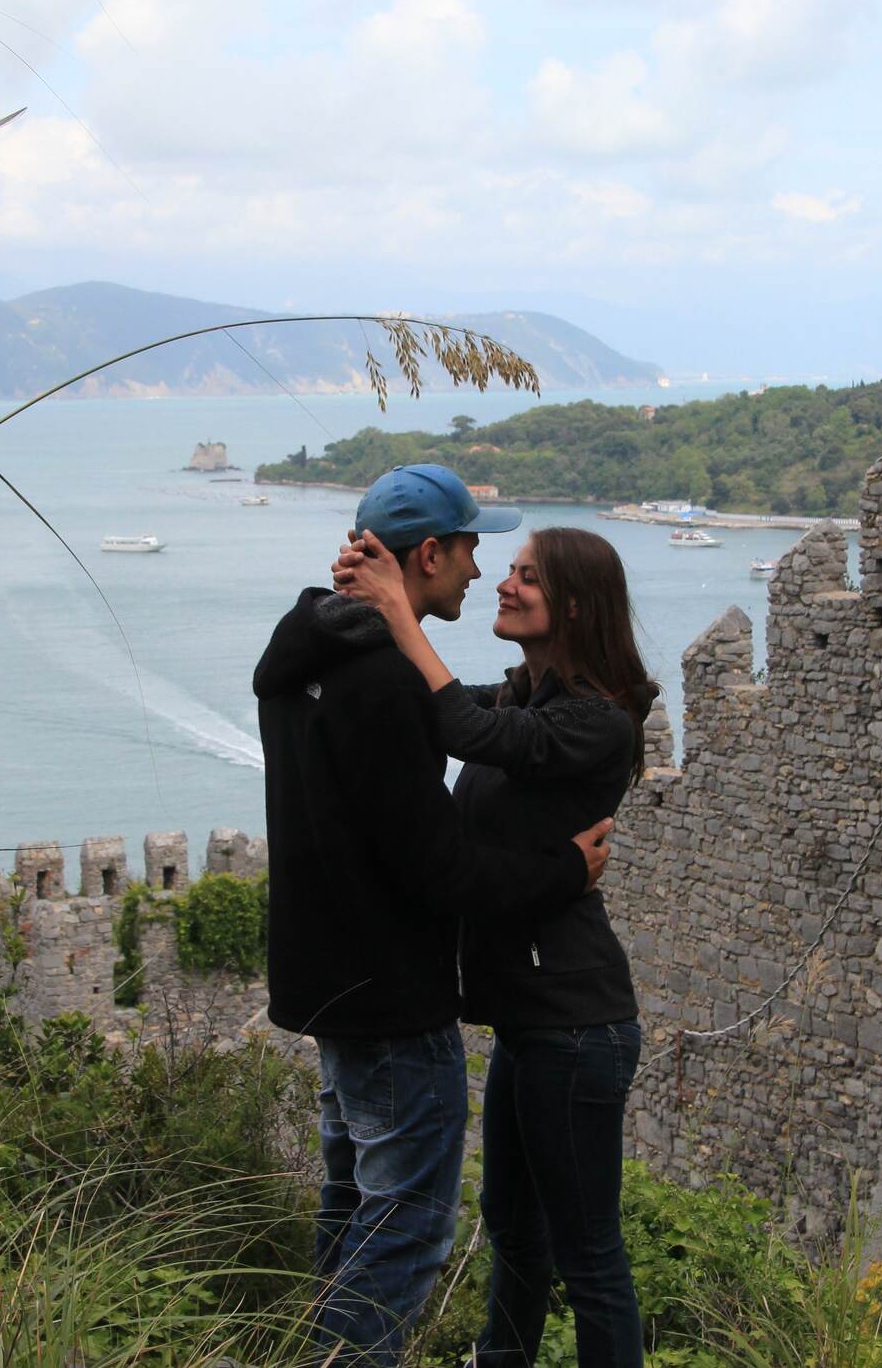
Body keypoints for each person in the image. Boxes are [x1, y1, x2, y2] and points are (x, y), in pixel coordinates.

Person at [253, 465, 615, 1368]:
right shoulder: (384, 679)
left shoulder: (304, 654)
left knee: (352, 1204)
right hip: (392, 994)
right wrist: (564, 870)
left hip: (328, 986)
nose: (479, 571)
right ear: (427, 555)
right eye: (470, 549)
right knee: (409, 1226)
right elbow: (437, 867)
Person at [334, 522, 656, 1367]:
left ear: (576, 606)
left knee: (590, 1257)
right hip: (530, 1022)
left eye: (528, 578)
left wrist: (400, 609)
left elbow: (468, 733)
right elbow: (437, 705)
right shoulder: (525, 697)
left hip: (576, 1021)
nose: (505, 585)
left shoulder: (597, 722)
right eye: (508, 571)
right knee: (513, 1228)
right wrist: (361, 602)